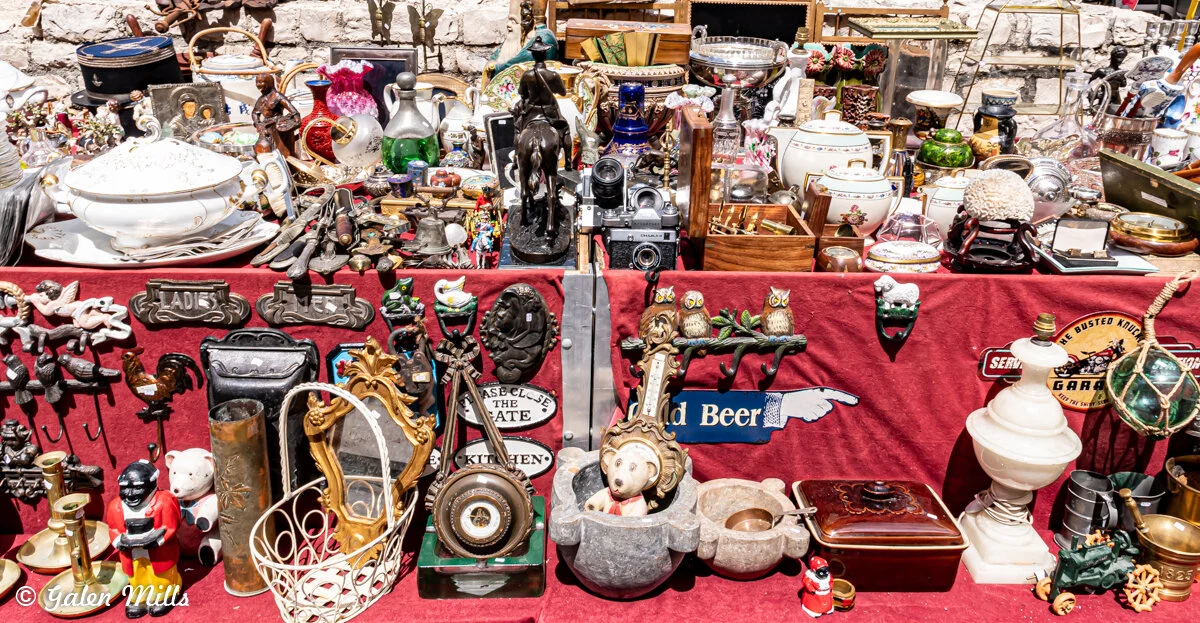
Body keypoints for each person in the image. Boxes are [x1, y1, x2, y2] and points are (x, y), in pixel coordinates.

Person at [511, 38, 572, 169]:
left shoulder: (527, 75)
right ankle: (568, 161)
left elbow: (522, 94)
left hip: (531, 113)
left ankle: (516, 159)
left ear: (533, 55)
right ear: (545, 55)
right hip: (550, 113)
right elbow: (562, 93)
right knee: (565, 129)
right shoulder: (553, 75)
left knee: (517, 128)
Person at [251, 74, 301, 157]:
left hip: (279, 127)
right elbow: (255, 113)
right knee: (262, 148)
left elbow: (293, 111)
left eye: (261, 82)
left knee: (283, 153)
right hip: (266, 128)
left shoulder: (277, 96)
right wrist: (257, 124)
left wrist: (295, 120)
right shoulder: (261, 99)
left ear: (269, 83)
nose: (258, 85)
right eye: (257, 82)